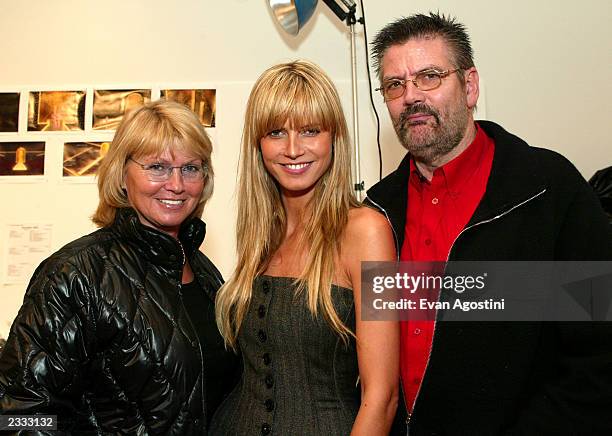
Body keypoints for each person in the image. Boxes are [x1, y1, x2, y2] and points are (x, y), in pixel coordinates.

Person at [365, 12, 612, 435]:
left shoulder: (547, 191)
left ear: (470, 85)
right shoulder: (377, 212)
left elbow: (600, 357)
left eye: (429, 76)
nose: (411, 96)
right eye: (394, 85)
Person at [0, 100, 239, 434]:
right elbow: (18, 414)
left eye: (191, 168)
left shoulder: (204, 271)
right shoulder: (74, 274)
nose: (176, 184)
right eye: (157, 166)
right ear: (122, 174)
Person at [211, 60, 399, 435]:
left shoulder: (367, 232)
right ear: (258, 144)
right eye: (276, 132)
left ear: (334, 139)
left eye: (311, 130)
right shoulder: (260, 233)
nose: (293, 149)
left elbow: (383, 395)